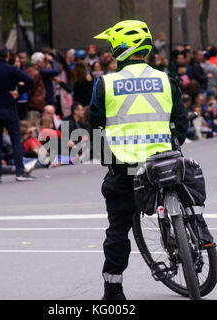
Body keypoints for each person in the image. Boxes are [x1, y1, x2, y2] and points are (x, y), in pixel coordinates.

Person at [90, 20, 189, 300]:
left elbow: (95, 128)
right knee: (187, 198)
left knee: (118, 230)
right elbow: (180, 122)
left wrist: (106, 160)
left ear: (121, 49)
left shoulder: (105, 84)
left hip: (125, 168)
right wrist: (172, 145)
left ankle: (113, 290)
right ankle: (194, 236)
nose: (110, 52)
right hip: (163, 162)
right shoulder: (166, 79)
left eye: (112, 47)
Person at [0, 44, 35, 183]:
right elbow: (30, 80)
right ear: (8, 56)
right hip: (9, 106)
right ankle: (19, 171)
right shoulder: (11, 70)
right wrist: (18, 93)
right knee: (16, 140)